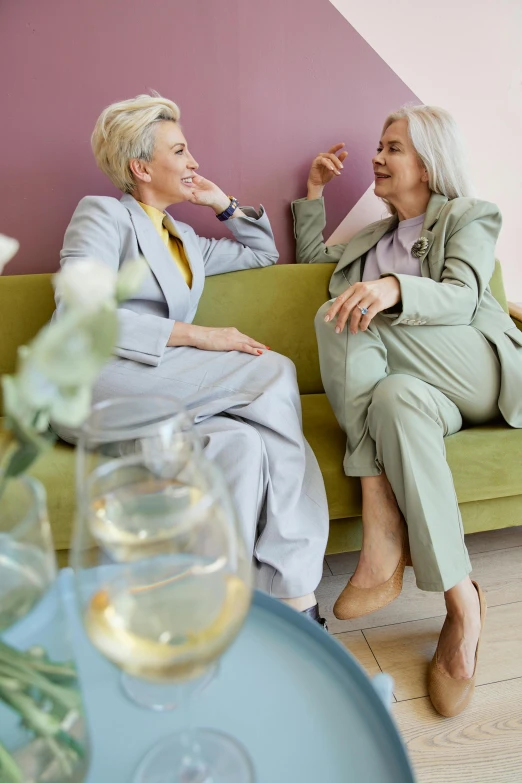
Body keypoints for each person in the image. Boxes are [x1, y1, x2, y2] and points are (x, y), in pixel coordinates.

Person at [54, 92, 329, 626]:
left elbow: (261, 253)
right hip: (95, 378)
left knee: (242, 445)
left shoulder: (184, 240)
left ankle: (217, 611)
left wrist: (221, 203)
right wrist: (195, 335)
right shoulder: (104, 215)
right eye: (179, 151)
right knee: (273, 368)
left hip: (158, 387)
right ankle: (295, 593)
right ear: (141, 166)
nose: (193, 162)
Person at [292, 104, 522, 714]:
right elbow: (317, 258)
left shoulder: (469, 216)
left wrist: (391, 289)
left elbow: (464, 294)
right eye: (379, 145)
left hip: (475, 368)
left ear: (429, 160)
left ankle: (381, 522)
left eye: (392, 147)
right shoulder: (370, 240)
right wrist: (314, 192)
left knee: (344, 316)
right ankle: (462, 602)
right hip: (419, 392)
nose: (377, 156)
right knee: (391, 397)